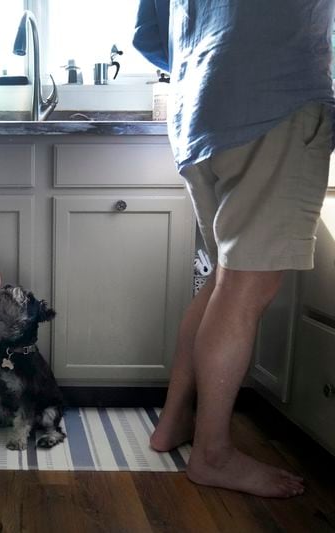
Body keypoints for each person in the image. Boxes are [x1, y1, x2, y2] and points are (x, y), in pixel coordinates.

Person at [133, 0, 334, 498]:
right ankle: (213, 454)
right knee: (244, 287)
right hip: (275, 97)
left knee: (225, 279)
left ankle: (174, 422)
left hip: (197, 110)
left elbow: (149, 38)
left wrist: (213, 61)